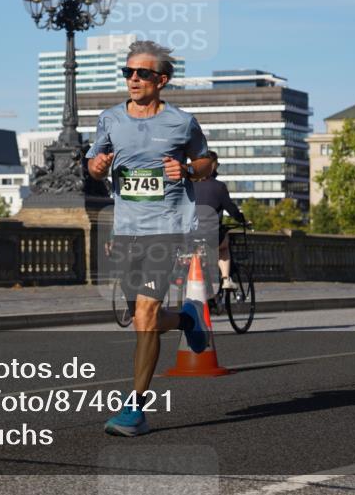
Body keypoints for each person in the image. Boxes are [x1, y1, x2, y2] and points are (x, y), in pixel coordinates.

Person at [87, 40, 215, 437]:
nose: (133, 79)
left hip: (167, 225)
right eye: (128, 72)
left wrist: (189, 171)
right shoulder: (110, 119)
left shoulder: (181, 122)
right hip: (126, 229)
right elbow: (93, 166)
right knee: (139, 316)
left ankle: (135, 409)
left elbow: (208, 162)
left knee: (144, 316)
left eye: (141, 73)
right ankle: (186, 318)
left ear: (162, 79)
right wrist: (97, 165)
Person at [194, 151, 250, 295]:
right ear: (212, 166)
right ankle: (226, 278)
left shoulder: (189, 185)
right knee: (224, 246)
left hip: (189, 233)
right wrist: (243, 220)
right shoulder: (218, 187)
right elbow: (231, 210)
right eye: (217, 164)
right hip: (211, 234)